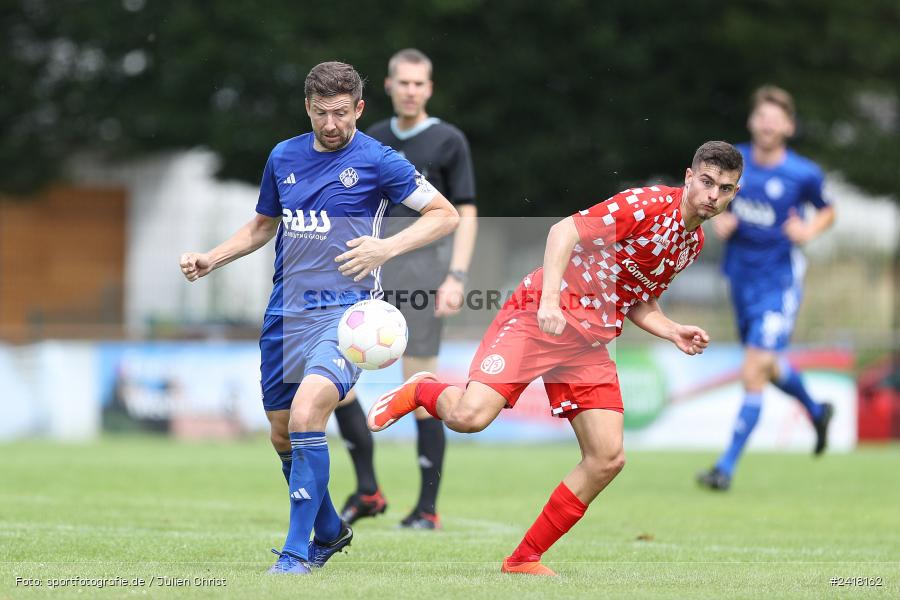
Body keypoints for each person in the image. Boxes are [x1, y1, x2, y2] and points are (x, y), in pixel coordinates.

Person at [367, 141, 744, 576]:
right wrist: (549, 301)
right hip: (538, 315)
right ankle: (422, 390)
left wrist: (672, 329)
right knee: (470, 417)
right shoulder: (644, 205)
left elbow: (638, 300)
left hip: (587, 342)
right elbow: (562, 231)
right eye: (707, 182)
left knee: (608, 457)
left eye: (726, 189)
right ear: (689, 176)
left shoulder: (690, 243)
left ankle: (523, 558)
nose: (713, 196)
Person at [178, 61, 459, 575]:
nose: (332, 125)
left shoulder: (379, 160)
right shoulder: (283, 156)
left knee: (309, 415)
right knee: (283, 433)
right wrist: (210, 258)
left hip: (347, 316)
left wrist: (384, 248)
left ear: (359, 108)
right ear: (308, 107)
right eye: (322, 113)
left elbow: (445, 214)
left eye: (342, 113)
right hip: (285, 314)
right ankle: (329, 530)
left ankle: (294, 553)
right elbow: (263, 225)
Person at [334, 48, 477, 530]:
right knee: (336, 383)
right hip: (367, 276)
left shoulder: (449, 140)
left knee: (419, 388)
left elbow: (465, 211)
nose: (411, 90)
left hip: (423, 278)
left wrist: (456, 275)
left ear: (429, 88)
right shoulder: (370, 139)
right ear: (389, 87)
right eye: (403, 82)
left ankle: (427, 508)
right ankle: (368, 489)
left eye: (420, 83)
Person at [697, 86, 836, 492]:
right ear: (751, 121)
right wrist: (717, 217)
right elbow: (707, 199)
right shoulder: (733, 165)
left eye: (776, 118)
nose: (768, 124)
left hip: (779, 283)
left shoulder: (802, 173)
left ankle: (725, 467)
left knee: (754, 368)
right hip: (740, 279)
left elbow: (828, 209)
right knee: (768, 365)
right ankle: (816, 410)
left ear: (789, 126)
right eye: (762, 116)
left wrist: (809, 229)